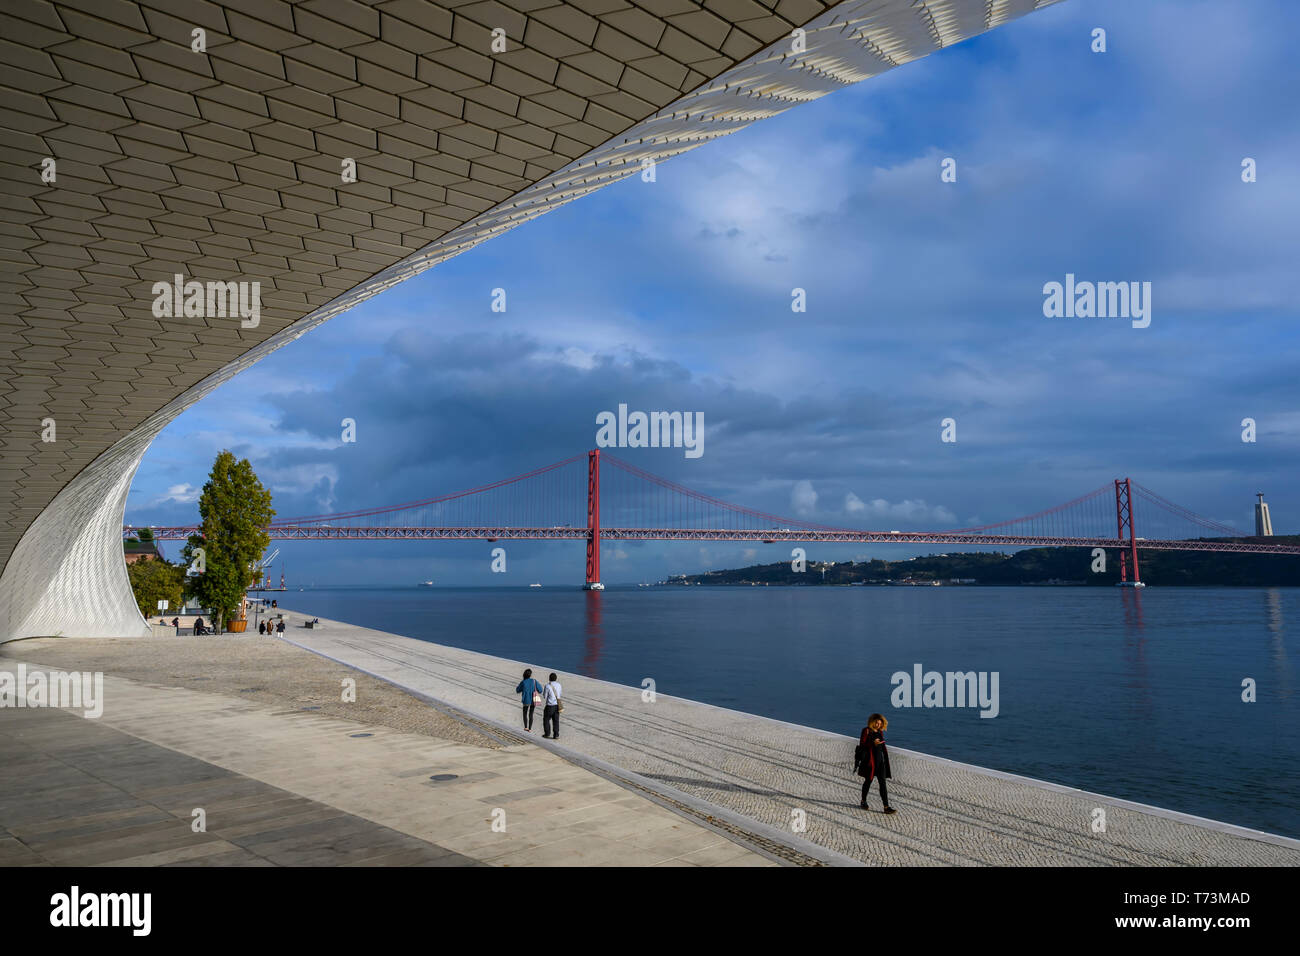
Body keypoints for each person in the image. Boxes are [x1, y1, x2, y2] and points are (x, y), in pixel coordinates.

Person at [855, 713, 896, 814]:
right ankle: (863, 801)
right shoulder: (866, 731)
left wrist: (885, 758)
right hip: (870, 762)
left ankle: (886, 807)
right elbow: (862, 745)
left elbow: (882, 747)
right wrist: (873, 743)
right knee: (868, 782)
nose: (878, 725)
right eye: (876, 723)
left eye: (880, 723)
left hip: (880, 762)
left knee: (883, 784)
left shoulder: (880, 732)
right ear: (872, 722)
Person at [542, 672, 562, 739]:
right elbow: (559, 694)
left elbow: (545, 696)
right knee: (556, 720)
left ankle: (547, 733)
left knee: (546, 719)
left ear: (549, 678)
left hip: (549, 706)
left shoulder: (547, 686)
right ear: (556, 678)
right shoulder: (559, 685)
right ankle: (556, 735)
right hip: (557, 705)